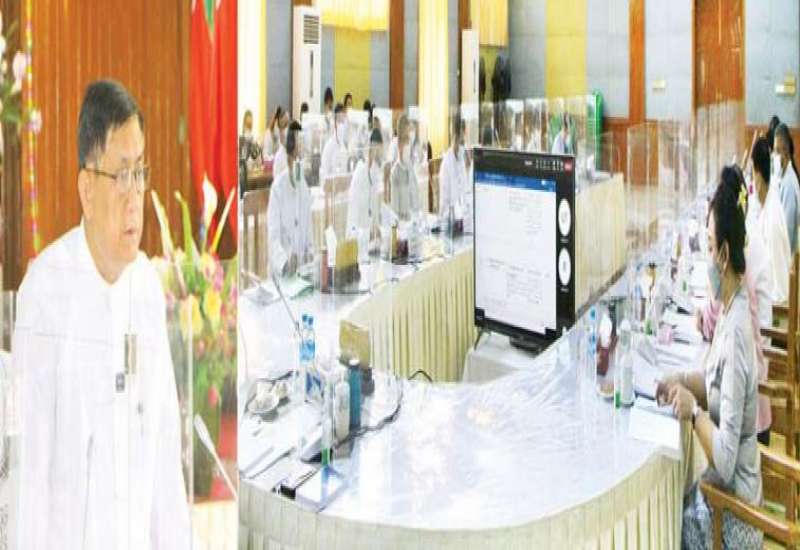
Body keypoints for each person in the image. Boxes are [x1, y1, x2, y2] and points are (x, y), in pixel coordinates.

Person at [13, 80, 190, 548]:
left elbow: (165, 468)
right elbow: (31, 480)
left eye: (141, 172)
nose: (135, 197)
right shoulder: (45, 292)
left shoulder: (146, 288)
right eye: (122, 175)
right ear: (87, 189)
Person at [658, 167, 762, 549]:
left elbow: (726, 459)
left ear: (724, 254)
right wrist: (683, 380)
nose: (706, 254)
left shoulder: (735, 334)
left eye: (709, 243)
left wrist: (694, 412)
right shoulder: (731, 306)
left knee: (666, 526)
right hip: (725, 495)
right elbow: (716, 382)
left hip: (733, 516)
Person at [267, 121, 314, 276]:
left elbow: (309, 234)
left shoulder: (304, 188)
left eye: (301, 158)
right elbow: (273, 239)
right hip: (282, 274)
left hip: (301, 272)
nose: (299, 162)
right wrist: (286, 262)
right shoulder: (278, 189)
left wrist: (310, 256)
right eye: (296, 158)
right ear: (288, 157)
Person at [346, 128, 384, 244]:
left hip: (369, 236)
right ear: (373, 146)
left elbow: (374, 205)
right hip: (358, 235)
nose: (381, 152)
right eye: (379, 148)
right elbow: (355, 212)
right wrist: (360, 235)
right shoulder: (360, 172)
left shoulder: (374, 170)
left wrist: (376, 227)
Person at [389, 114, 421, 221]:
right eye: (406, 128)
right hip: (398, 177)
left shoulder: (410, 141)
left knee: (411, 207)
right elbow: (391, 163)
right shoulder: (394, 143)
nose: (407, 131)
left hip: (409, 176)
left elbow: (412, 158)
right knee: (399, 208)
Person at [774, 124, 800, 253]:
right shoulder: (783, 177)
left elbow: (787, 232)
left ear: (785, 152)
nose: (774, 155)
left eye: (776, 151)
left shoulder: (789, 183)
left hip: (788, 255)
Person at [438, 116, 469, 223]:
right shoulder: (447, 163)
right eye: (461, 141)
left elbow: (464, 191)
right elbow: (445, 204)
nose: (463, 144)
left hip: (462, 217)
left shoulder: (461, 159)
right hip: (449, 219)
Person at [320, 103, 348, 182]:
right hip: (330, 179)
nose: (344, 116)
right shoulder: (338, 127)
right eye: (343, 113)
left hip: (335, 177)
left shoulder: (340, 127)